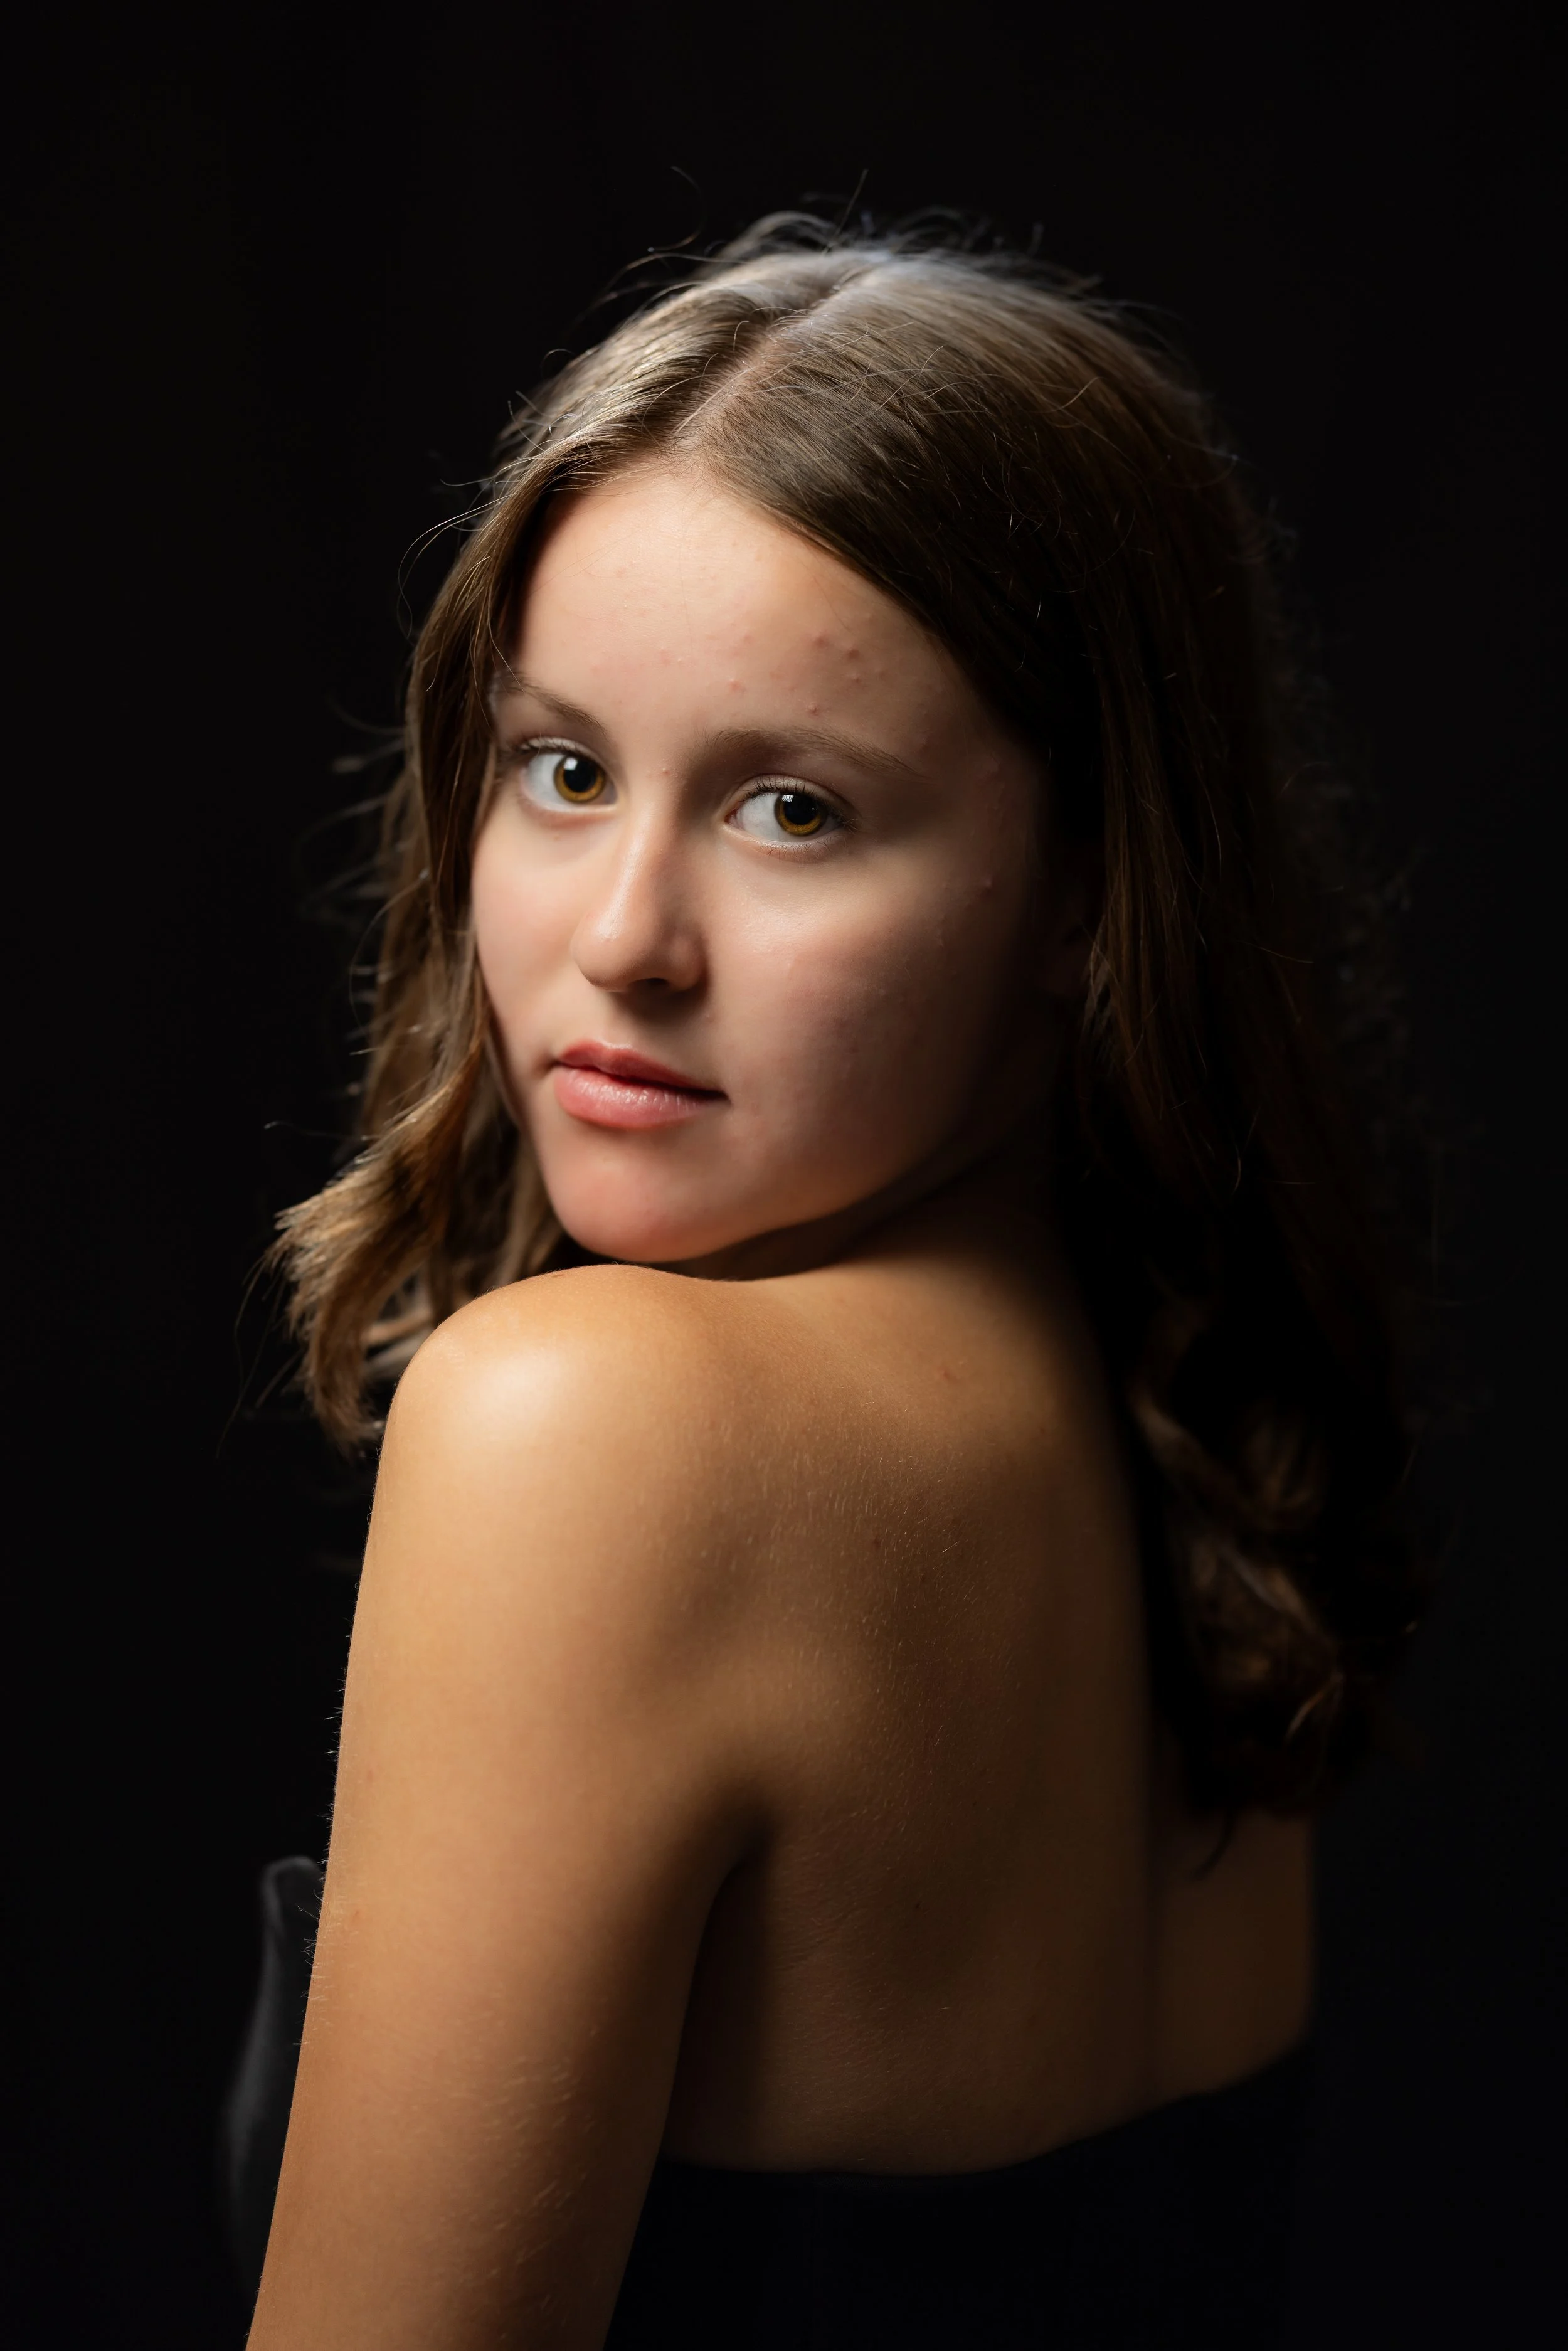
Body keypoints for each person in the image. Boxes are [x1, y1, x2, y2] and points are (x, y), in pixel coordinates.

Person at [244, 216, 1418, 2349]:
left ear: (1084, 891)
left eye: (792, 808)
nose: (624, 936)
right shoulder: (1183, 1465)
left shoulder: (588, 1423)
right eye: (563, 766)